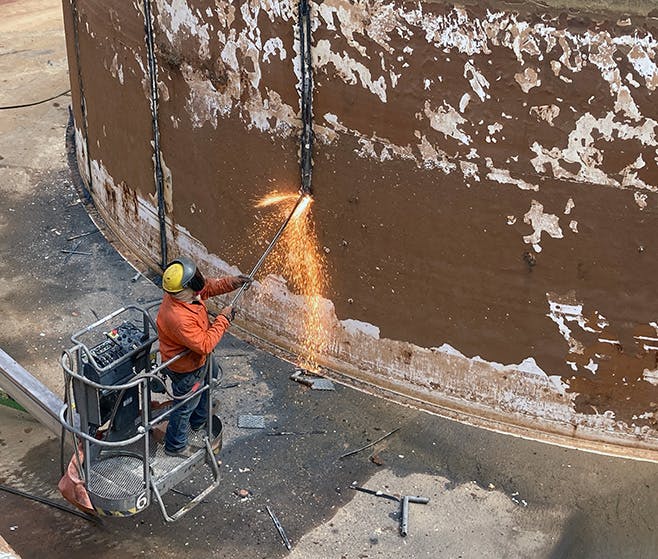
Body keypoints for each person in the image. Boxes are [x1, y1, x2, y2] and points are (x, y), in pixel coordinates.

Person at [156, 256, 251, 457]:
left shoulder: (186, 293)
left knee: (211, 377)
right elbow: (205, 344)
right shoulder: (179, 318)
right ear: (184, 289)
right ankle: (175, 445)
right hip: (186, 368)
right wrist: (223, 319)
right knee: (184, 406)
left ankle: (199, 419)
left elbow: (206, 288)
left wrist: (232, 282)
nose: (200, 284)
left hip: (198, 361)